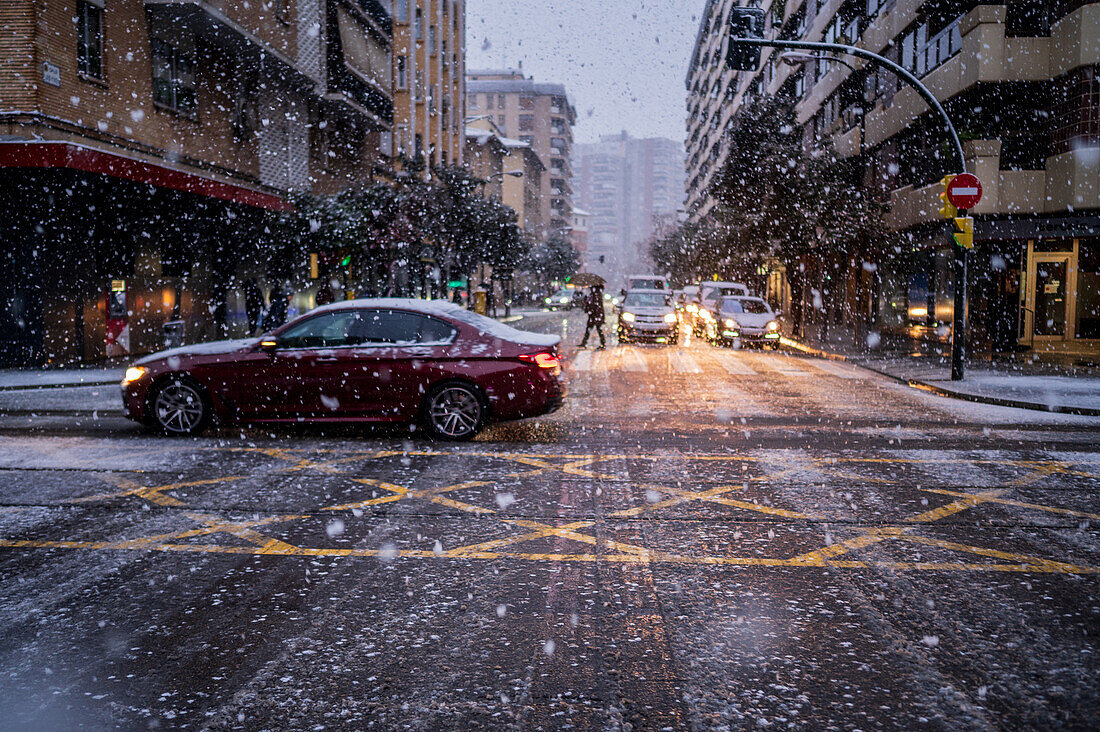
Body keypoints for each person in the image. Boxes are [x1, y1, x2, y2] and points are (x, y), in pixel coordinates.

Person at [579, 285, 606, 350]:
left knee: (597, 329)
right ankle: (584, 342)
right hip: (594, 316)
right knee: (592, 329)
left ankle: (602, 343)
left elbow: (594, 306)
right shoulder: (594, 294)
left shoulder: (596, 295)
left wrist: (588, 307)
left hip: (595, 316)